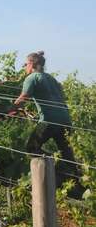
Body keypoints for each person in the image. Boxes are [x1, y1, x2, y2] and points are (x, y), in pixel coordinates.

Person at [12, 51, 83, 194]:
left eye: (25, 64)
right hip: (65, 120)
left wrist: (10, 108)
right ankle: (79, 185)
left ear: (31, 64)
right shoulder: (51, 78)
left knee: (32, 147)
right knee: (67, 154)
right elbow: (58, 96)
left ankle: (51, 170)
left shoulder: (31, 78)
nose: (25, 67)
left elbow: (24, 97)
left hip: (49, 120)